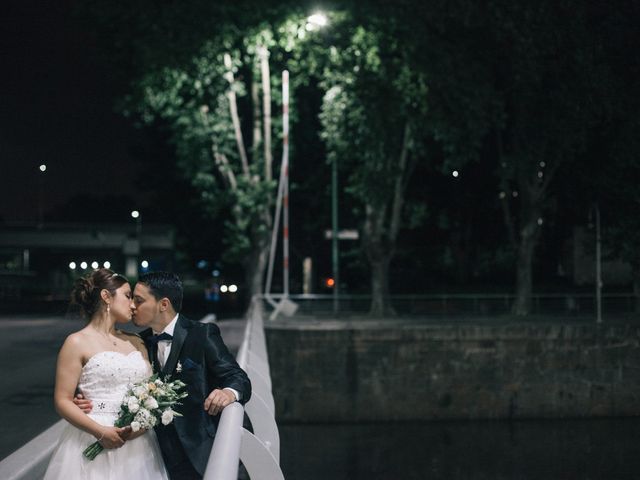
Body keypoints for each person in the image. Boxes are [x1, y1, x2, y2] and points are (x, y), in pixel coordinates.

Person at [76, 271, 251, 480]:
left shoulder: (201, 334)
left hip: (204, 451)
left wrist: (228, 393)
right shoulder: (138, 343)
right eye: (131, 299)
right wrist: (86, 399)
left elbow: (237, 376)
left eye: (139, 300)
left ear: (163, 304)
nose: (132, 306)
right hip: (157, 454)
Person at [44, 268, 169, 480]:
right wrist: (100, 432)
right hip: (92, 434)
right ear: (106, 296)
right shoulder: (76, 342)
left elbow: (153, 391)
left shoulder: (137, 341)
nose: (132, 304)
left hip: (138, 441)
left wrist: (141, 425)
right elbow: (62, 400)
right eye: (128, 296)